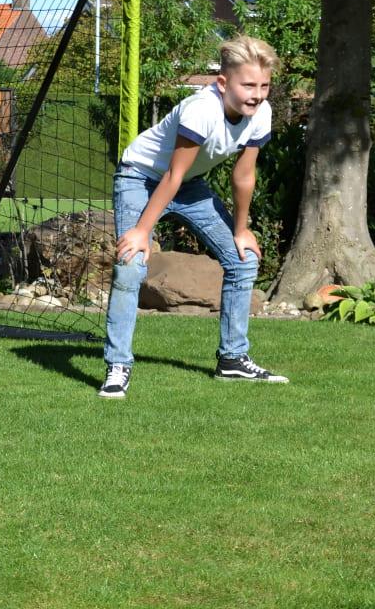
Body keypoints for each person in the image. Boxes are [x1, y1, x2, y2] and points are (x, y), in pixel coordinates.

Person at [99, 34, 289, 398]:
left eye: (264, 85)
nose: (257, 93)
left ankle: (233, 360)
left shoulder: (261, 113)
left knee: (242, 259)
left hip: (188, 185)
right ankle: (117, 365)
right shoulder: (201, 110)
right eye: (248, 84)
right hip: (141, 177)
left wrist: (242, 229)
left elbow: (244, 175)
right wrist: (142, 232)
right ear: (223, 83)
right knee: (131, 264)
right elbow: (170, 176)